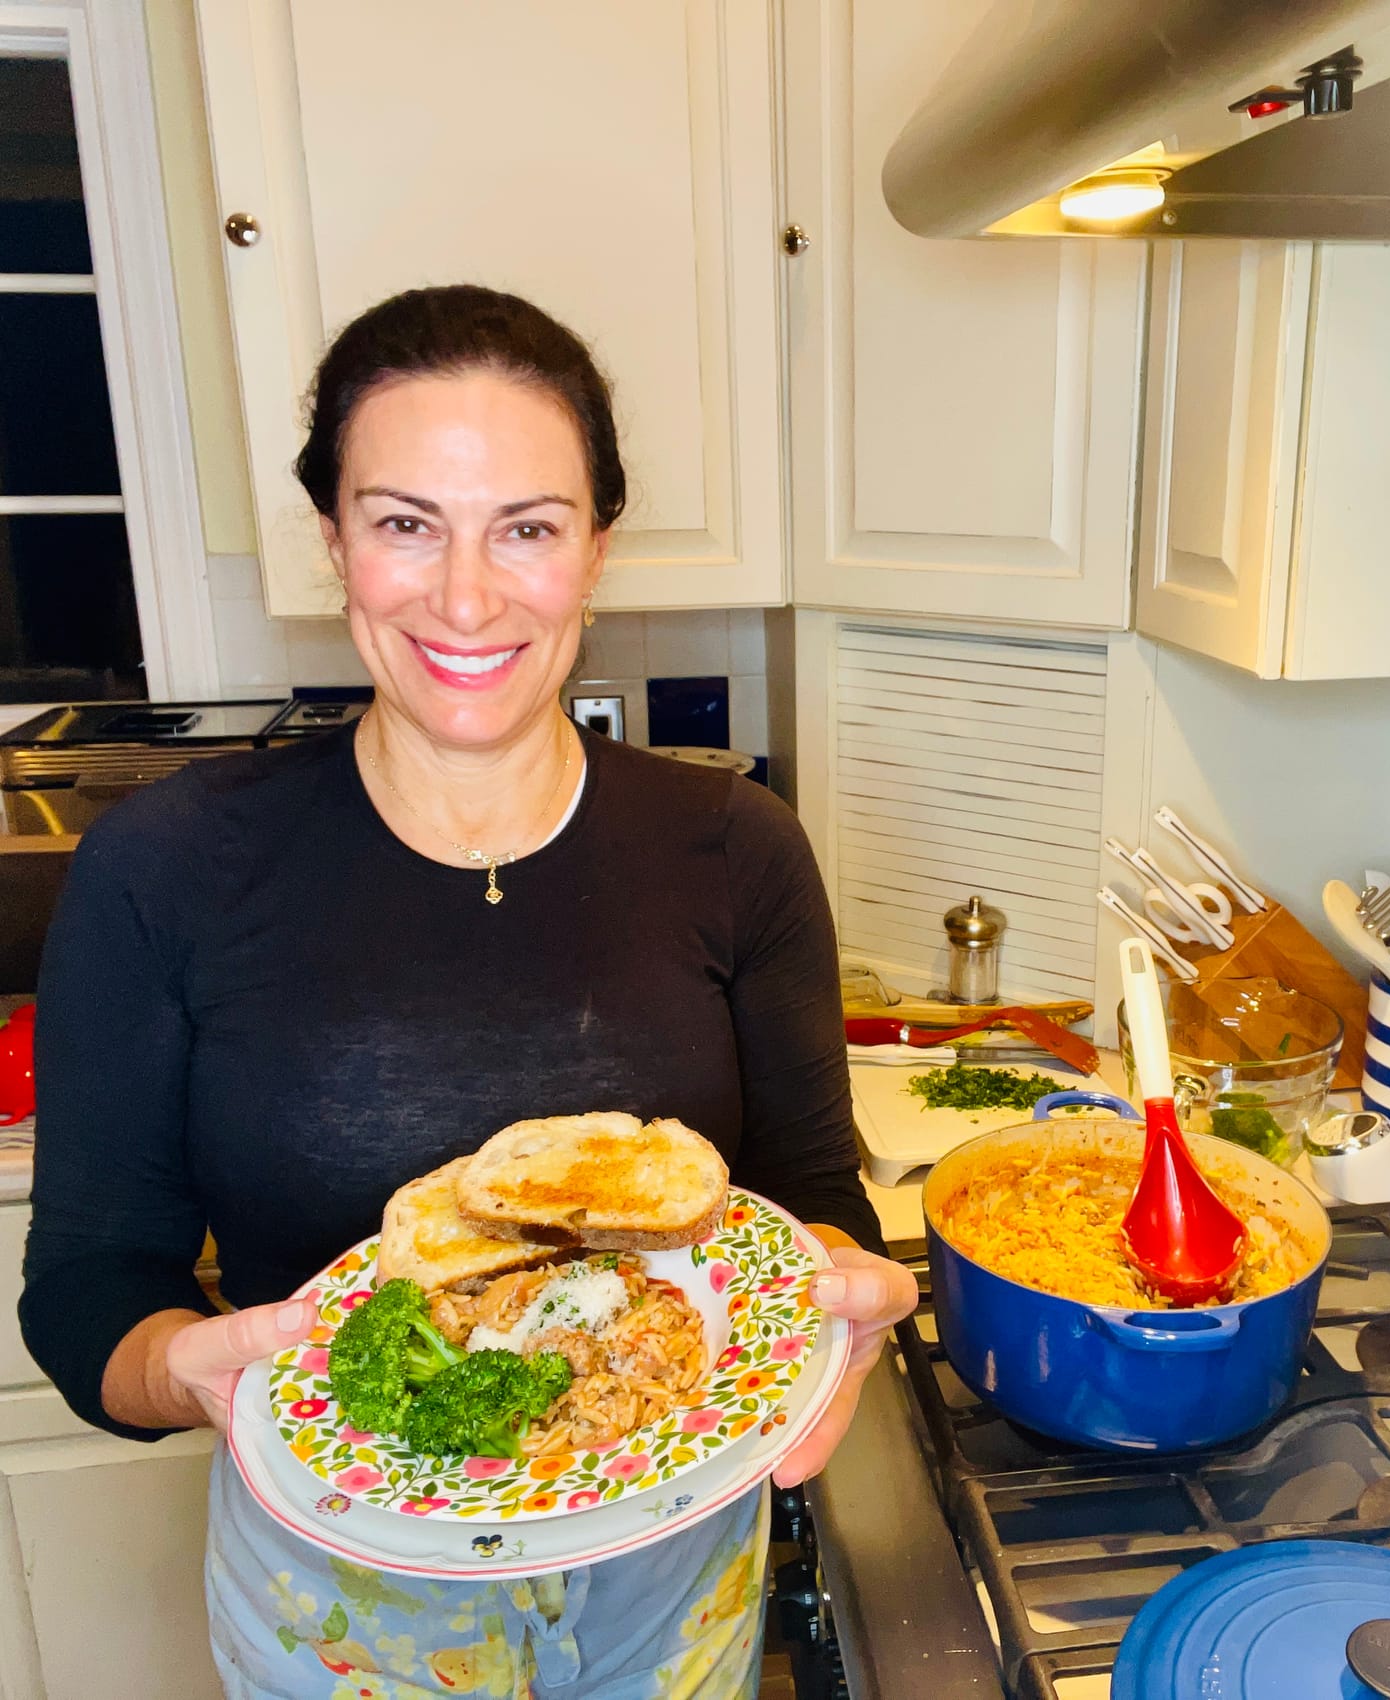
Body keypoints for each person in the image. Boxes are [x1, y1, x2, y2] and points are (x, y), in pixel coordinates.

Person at [19, 284, 918, 1699]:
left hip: (667, 1568)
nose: (464, 597)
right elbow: (85, 1295)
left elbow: (813, 1195)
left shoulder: (737, 848)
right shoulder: (167, 868)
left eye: (528, 528)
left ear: (596, 549)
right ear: (334, 542)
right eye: (403, 523)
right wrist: (187, 1367)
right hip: (342, 1595)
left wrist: (831, 1302)